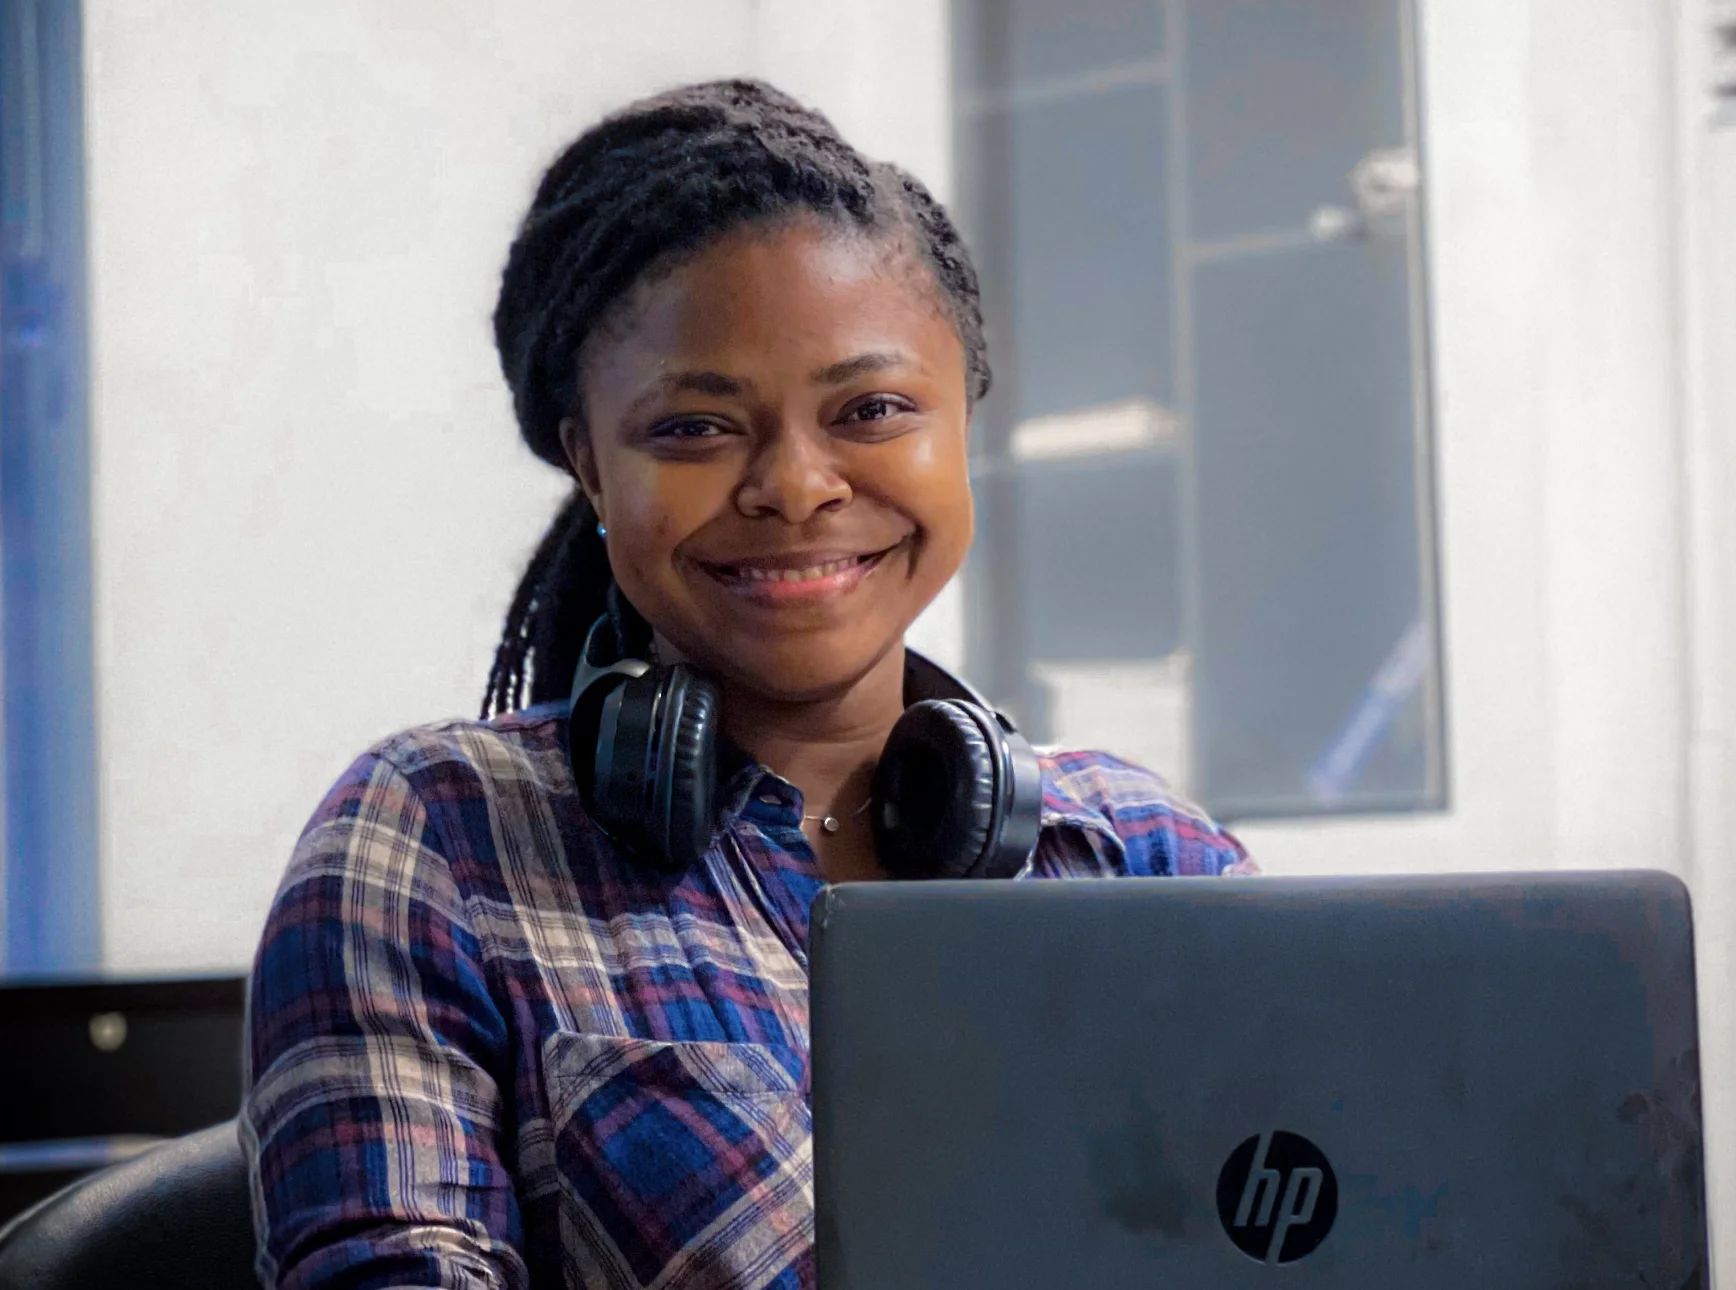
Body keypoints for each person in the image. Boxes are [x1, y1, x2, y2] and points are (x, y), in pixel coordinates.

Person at [241, 78, 1255, 1290]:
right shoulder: (437, 842)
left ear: (962, 425)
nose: (797, 486)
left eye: (872, 409)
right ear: (590, 464)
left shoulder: (1145, 855)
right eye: (694, 428)